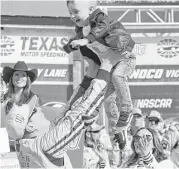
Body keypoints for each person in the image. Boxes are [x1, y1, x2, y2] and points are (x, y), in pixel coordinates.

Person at [4, 59, 113, 168]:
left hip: (44, 136)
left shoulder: (31, 98)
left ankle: (97, 69)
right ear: (11, 78)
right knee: (77, 113)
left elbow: (18, 128)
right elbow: (16, 130)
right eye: (16, 75)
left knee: (72, 110)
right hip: (37, 143)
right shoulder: (7, 101)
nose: (19, 78)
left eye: (23, 75)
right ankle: (105, 65)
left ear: (27, 79)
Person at [64, 0, 136, 151]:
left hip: (125, 58)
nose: (72, 16)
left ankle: (127, 109)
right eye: (70, 12)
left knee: (117, 76)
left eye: (75, 12)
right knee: (108, 100)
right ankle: (119, 131)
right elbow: (81, 40)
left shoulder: (99, 17)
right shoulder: (81, 29)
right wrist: (69, 46)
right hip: (109, 64)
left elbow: (102, 28)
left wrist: (86, 40)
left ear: (91, 9)